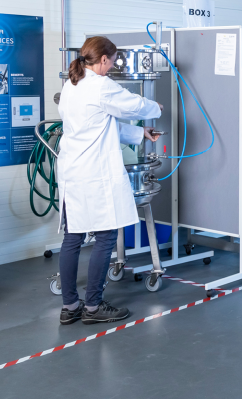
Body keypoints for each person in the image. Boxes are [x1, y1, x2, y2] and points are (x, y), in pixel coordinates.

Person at [57, 37, 163, 326]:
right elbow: (133, 106)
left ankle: (70, 306)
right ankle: (93, 307)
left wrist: (139, 134)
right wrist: (156, 107)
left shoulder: (71, 84)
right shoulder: (100, 85)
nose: (113, 66)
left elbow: (100, 123)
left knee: (73, 237)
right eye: (113, 61)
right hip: (94, 174)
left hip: (72, 172)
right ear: (103, 59)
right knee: (105, 237)